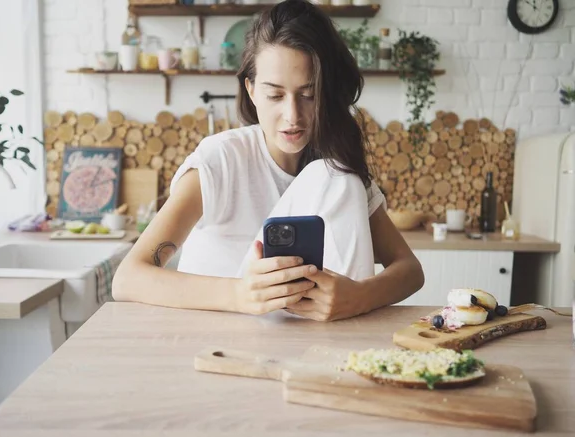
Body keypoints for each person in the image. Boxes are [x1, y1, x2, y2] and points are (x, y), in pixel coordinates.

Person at [112, 0, 424, 321]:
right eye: (275, 95)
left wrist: (359, 296)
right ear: (251, 91)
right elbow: (128, 278)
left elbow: (410, 270)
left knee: (339, 177)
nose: (293, 116)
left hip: (299, 344)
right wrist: (239, 293)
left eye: (309, 94)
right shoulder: (222, 159)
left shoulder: (336, 170)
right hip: (216, 342)